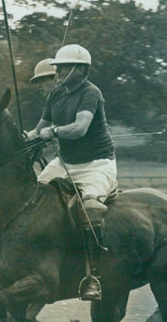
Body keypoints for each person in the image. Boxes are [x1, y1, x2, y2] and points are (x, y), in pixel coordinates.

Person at [26, 44, 116, 301]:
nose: (59, 71)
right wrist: (25, 138)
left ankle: (93, 276)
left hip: (96, 164)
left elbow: (80, 128)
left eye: (64, 67)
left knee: (90, 209)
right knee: (32, 198)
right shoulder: (55, 95)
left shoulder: (91, 93)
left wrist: (53, 132)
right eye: (58, 67)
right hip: (65, 162)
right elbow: (38, 130)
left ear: (80, 69)